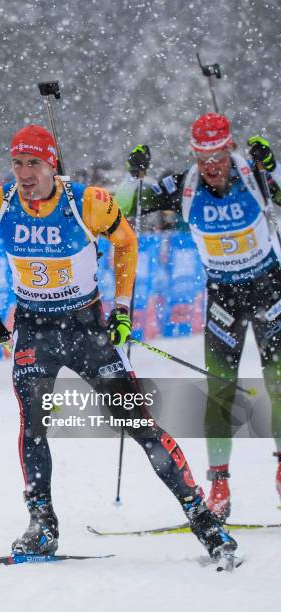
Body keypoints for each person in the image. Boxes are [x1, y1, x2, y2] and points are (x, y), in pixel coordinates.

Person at [0, 123, 237, 562]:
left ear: (51, 165)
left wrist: (121, 310)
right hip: (34, 331)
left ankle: (203, 519)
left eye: (33, 163)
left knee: (139, 426)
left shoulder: (87, 202)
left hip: (85, 330)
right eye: (17, 162)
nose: (23, 172)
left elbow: (126, 243)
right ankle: (42, 524)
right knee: (33, 426)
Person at [118, 113, 281, 521]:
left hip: (269, 291)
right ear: (194, 153)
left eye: (217, 154)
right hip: (224, 298)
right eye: (203, 155)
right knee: (220, 391)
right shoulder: (183, 186)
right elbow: (123, 206)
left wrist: (273, 167)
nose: (211, 165)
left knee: (277, 384)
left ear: (229, 148)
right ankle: (219, 483)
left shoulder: (254, 176)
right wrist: (132, 175)